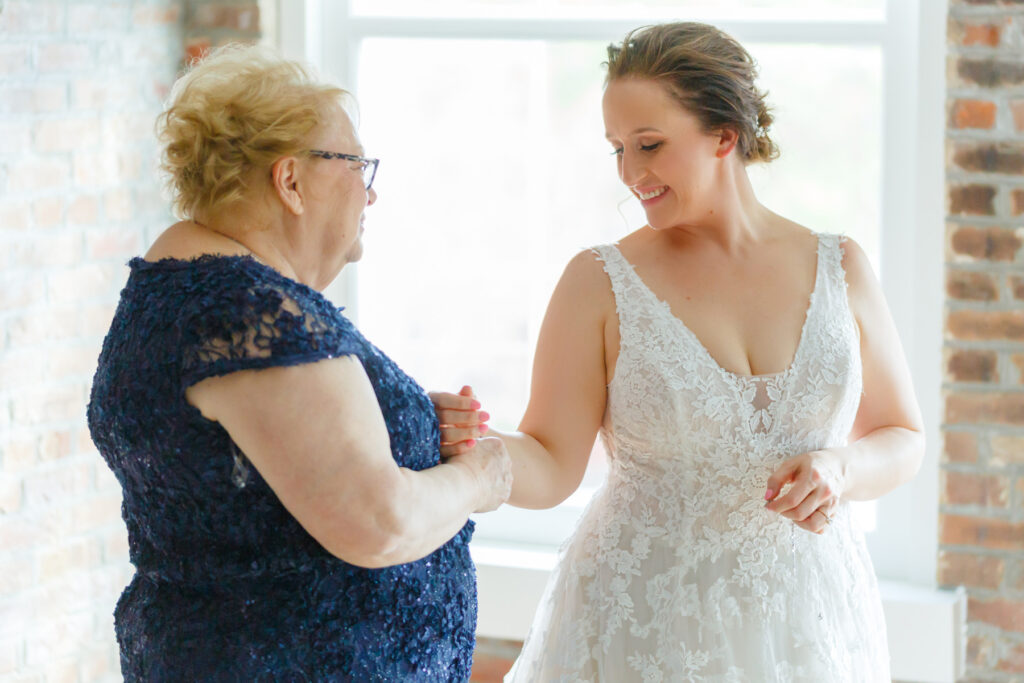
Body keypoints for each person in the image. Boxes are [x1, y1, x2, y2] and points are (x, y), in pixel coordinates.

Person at [433, 22, 924, 681]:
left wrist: (842, 467)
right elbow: (551, 461)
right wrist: (473, 448)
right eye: (617, 149)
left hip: (809, 621)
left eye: (650, 144)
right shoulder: (597, 283)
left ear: (725, 134)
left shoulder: (843, 267)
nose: (631, 173)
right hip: (646, 627)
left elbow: (903, 434)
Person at [86, 44, 511, 681]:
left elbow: (260, 477)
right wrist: (482, 477)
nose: (372, 194)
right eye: (358, 166)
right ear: (290, 181)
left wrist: (409, 424)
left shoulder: (186, 292)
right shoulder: (248, 313)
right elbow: (378, 523)